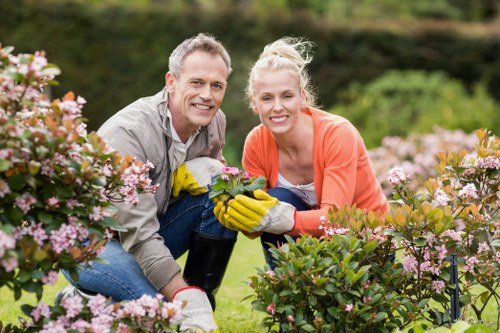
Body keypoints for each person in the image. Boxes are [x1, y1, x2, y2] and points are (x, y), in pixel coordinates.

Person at [57, 33, 237, 333]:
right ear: (171, 81)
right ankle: (80, 301)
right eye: (196, 82)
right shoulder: (128, 134)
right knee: (160, 313)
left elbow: (208, 194)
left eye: (216, 85)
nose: (207, 94)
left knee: (222, 193)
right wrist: (178, 296)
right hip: (91, 243)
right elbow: (139, 232)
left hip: (148, 230)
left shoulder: (214, 122)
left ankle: (202, 304)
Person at [215, 37, 389, 268]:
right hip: (310, 242)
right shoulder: (256, 142)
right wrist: (239, 215)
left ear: (302, 97)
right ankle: (288, 292)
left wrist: (280, 217)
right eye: (267, 98)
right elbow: (258, 227)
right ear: (254, 103)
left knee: (276, 208)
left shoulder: (337, 134)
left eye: (287, 96)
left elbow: (334, 220)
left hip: (365, 243)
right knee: (277, 199)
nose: (277, 107)